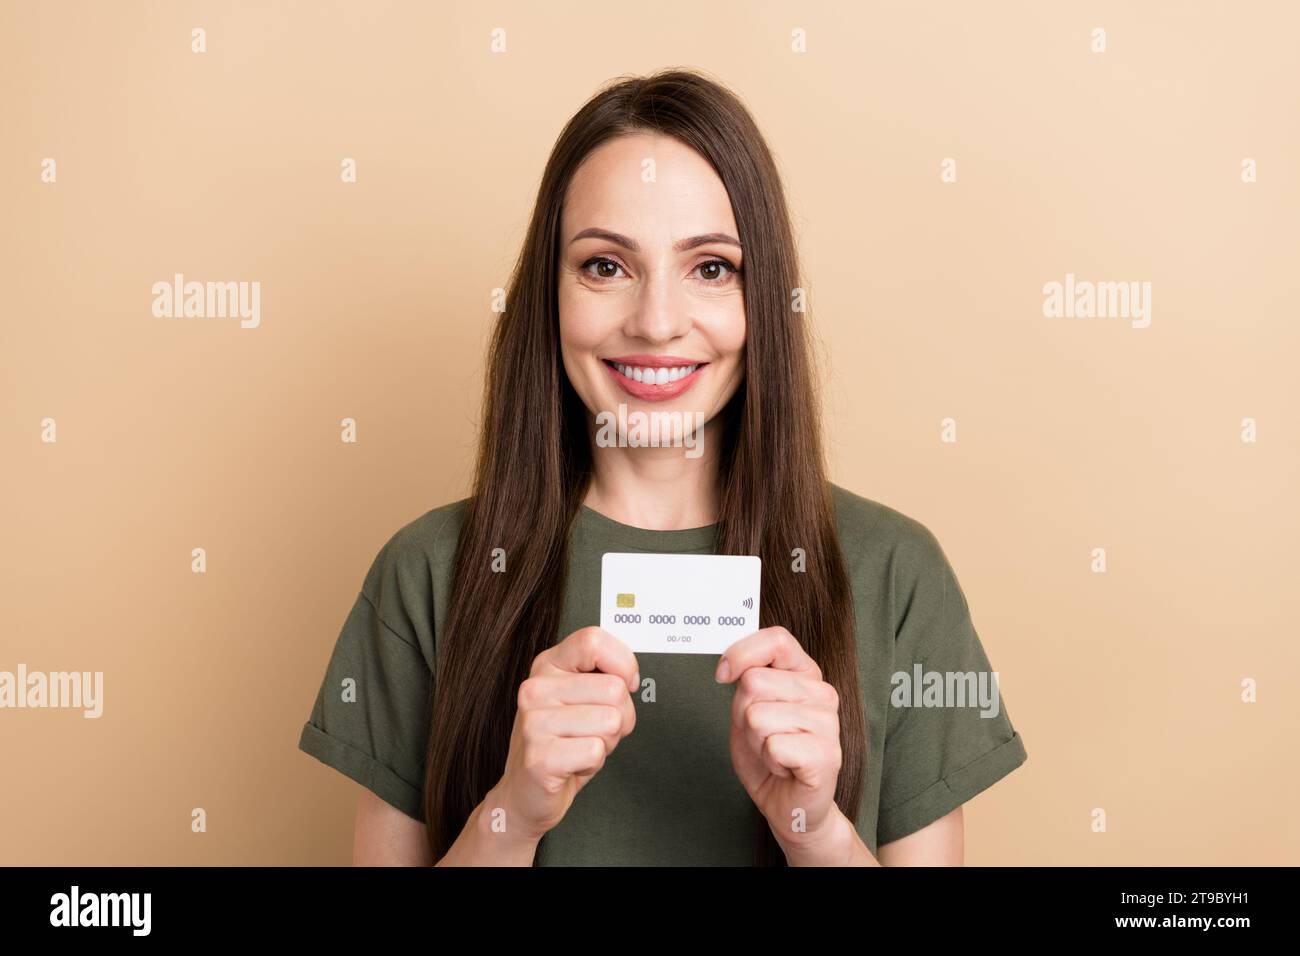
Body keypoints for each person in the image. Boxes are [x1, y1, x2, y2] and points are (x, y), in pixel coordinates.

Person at [297, 68, 1027, 866]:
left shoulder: (896, 571)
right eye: (606, 266)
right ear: (551, 291)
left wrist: (815, 831)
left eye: (711, 268)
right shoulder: (428, 571)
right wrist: (511, 813)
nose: (655, 323)